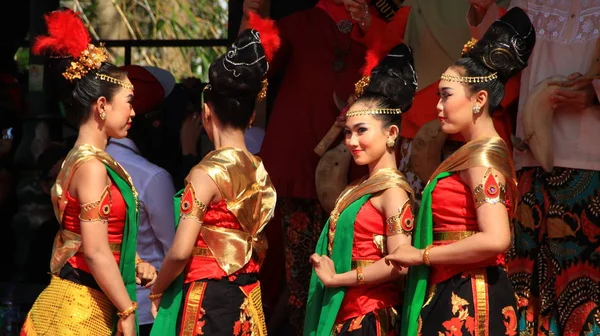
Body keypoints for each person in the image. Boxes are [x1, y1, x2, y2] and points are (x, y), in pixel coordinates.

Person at [241, 2, 410, 333]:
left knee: (346, 267)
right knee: (294, 278)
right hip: (297, 172)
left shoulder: (382, 28)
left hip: (355, 179)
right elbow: (252, 66)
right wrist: (253, 15)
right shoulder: (295, 25)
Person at [385, 7, 536, 336]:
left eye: (446, 96)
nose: (438, 107)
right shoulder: (472, 155)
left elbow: (496, 238)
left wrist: (421, 254)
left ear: (479, 99)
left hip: (471, 297)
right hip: (456, 287)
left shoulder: (481, 160)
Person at [21, 9, 156, 336]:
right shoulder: (92, 167)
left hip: (85, 306)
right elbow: (94, 251)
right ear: (102, 106)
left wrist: (134, 262)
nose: (134, 112)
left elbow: (93, 241)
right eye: (129, 101)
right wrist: (127, 309)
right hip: (77, 316)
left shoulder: (86, 159)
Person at [469, 1, 600, 334]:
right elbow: (490, 63)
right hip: (531, 164)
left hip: (591, 169)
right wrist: (480, 11)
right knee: (527, 290)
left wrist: (593, 92)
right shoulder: (526, 3)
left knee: (587, 299)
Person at [148, 19, 278, 336]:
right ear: (251, 116)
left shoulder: (205, 173)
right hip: (249, 298)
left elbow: (180, 252)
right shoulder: (261, 173)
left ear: (207, 111)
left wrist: (157, 287)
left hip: (209, 299)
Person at [304, 42, 417, 336]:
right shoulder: (360, 186)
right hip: (345, 313)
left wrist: (336, 279)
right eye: (347, 132)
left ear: (391, 133)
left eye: (361, 131)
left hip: (369, 317)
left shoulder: (393, 192)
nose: (352, 142)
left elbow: (400, 264)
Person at [106, 64, 177, 336]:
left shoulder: (85, 164)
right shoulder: (153, 176)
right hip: (145, 310)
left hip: (101, 306)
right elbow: (175, 250)